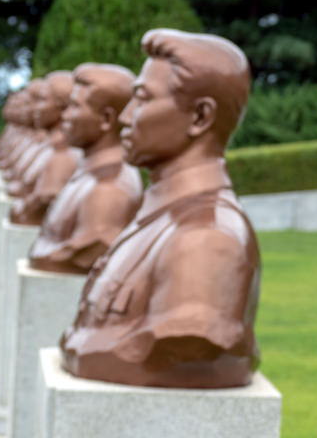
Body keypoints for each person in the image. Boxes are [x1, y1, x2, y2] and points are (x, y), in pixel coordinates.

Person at [60, 29, 261, 388]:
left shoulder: (205, 239)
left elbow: (190, 342)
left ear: (200, 117)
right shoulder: (162, 216)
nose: (125, 117)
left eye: (142, 98)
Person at [28, 63, 143, 274]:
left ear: (106, 119)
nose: (64, 116)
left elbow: (92, 247)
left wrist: (40, 251)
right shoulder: (91, 173)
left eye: (75, 106)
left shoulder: (108, 189)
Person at [9, 71, 82, 225]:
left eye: (41, 100)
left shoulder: (63, 157)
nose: (33, 108)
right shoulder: (51, 149)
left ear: (62, 107)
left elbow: (46, 198)